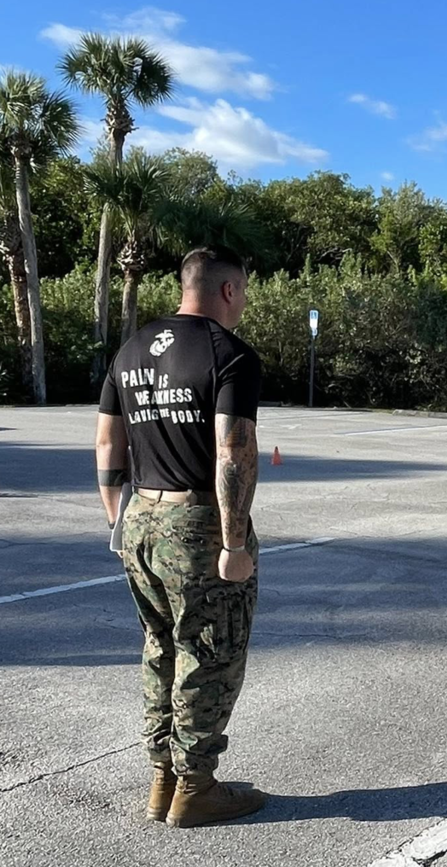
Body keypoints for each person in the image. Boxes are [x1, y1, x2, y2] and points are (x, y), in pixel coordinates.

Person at [95, 245, 265, 828]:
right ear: (226, 290)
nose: (242, 302)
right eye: (241, 291)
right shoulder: (229, 353)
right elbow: (232, 452)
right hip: (197, 523)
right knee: (210, 651)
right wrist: (234, 545)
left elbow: (106, 446)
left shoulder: (131, 350)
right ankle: (196, 787)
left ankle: (162, 776)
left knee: (160, 644)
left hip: (139, 517)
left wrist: (120, 517)